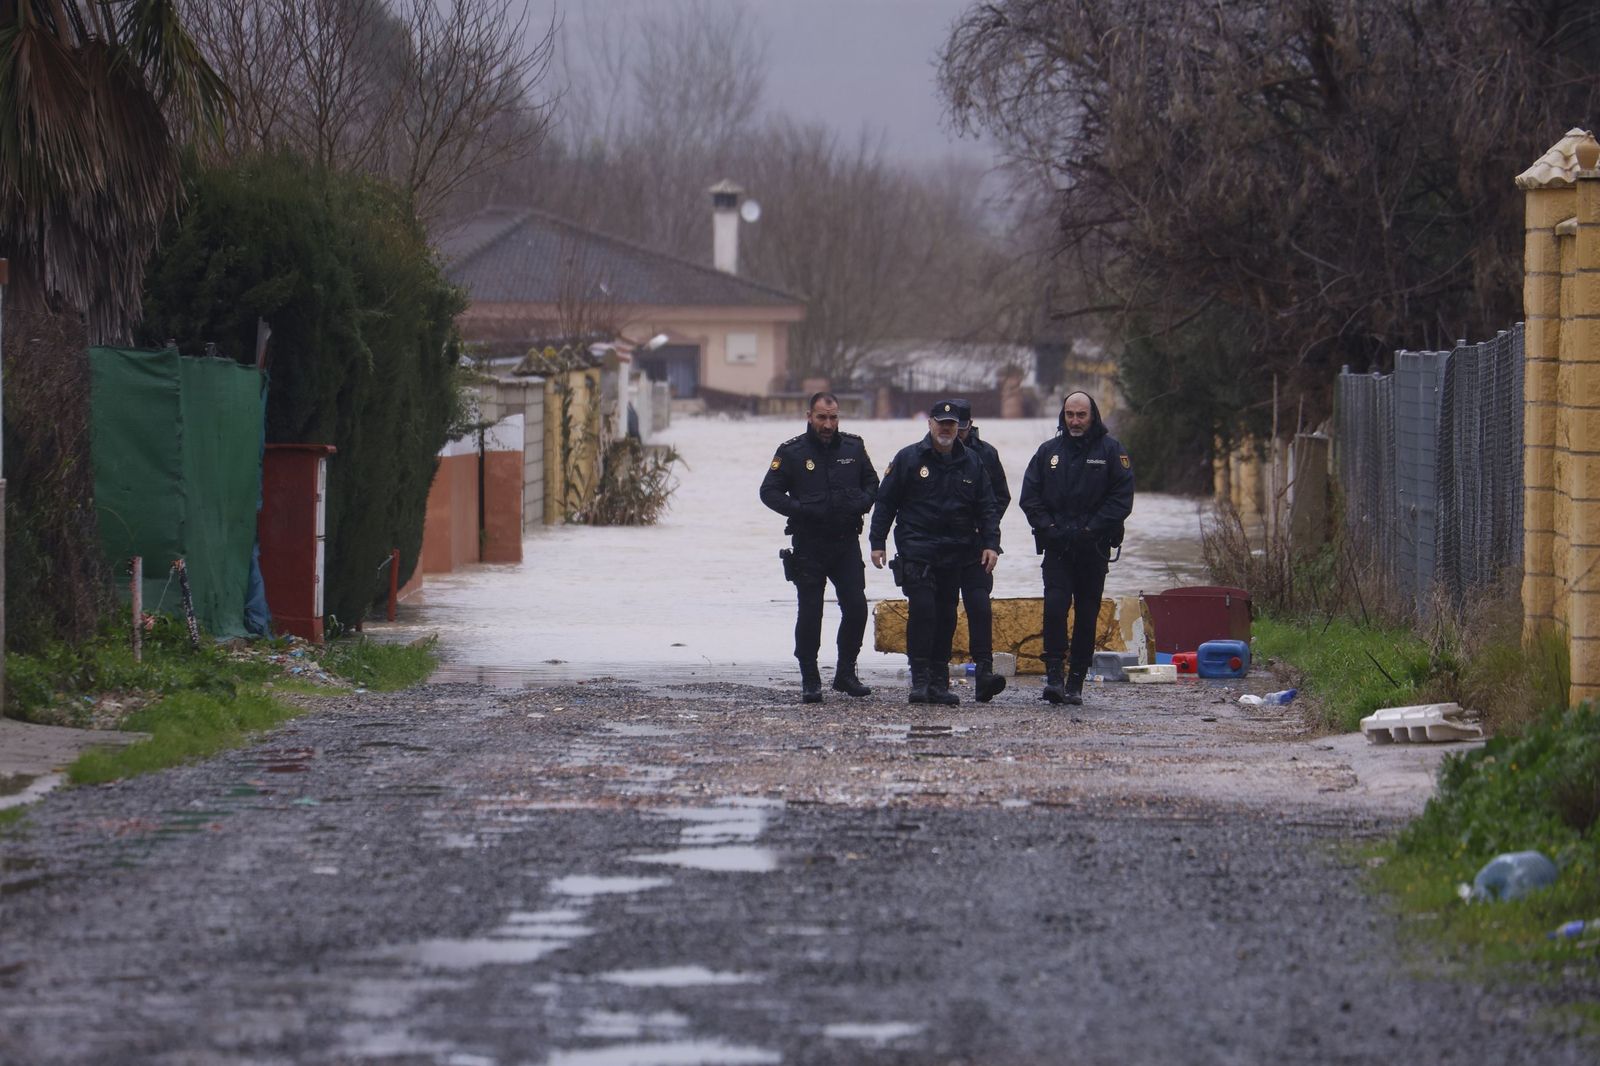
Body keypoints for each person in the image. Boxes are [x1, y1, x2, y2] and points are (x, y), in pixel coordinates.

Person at [869, 400, 1001, 705]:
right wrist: (878, 542)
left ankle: (940, 682)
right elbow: (886, 502)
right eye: (941, 423)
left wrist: (991, 543)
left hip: (956, 551)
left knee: (945, 615)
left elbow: (987, 506)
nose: (946, 428)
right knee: (923, 610)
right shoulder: (908, 458)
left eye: (951, 424)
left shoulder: (972, 462)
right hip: (917, 548)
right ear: (930, 424)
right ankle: (920, 680)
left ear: (959, 428)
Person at [760, 392, 880, 703]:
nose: (828, 424)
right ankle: (810, 678)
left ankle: (845, 673)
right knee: (810, 612)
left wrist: (863, 503)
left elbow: (873, 484)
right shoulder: (792, 451)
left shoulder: (854, 447)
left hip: (845, 543)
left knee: (856, 607)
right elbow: (769, 492)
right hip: (809, 544)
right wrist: (800, 509)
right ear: (809, 416)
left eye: (833, 417)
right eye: (822, 418)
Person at [1019, 391, 1134, 706]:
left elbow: (1122, 498)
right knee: (1054, 609)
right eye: (1070, 414)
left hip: (1093, 548)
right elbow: (1029, 497)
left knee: (1087, 615)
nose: (1075, 421)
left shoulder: (1111, 451)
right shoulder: (1048, 452)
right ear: (1063, 416)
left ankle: (1076, 683)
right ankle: (1054, 677)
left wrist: (1092, 528)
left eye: (1081, 415)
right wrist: (1049, 528)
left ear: (1093, 416)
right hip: (1057, 547)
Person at [950, 398, 1010, 701]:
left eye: (960, 428)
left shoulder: (986, 454)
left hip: (976, 546)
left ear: (970, 425)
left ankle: (983, 671)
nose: (955, 433)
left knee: (979, 608)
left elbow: (1000, 498)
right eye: (949, 426)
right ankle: (932, 673)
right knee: (940, 610)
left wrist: (987, 535)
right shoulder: (925, 453)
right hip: (942, 546)